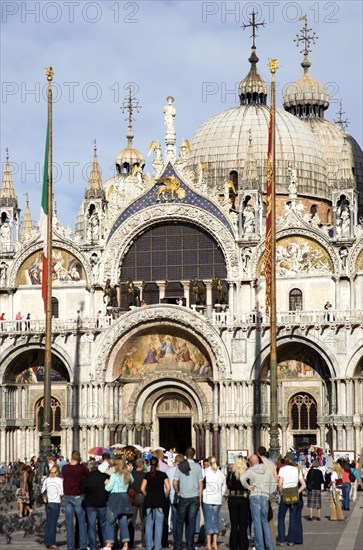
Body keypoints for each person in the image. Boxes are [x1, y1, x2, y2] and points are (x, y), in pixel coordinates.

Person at [240, 454, 275, 550]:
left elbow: (242, 479)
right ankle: (270, 546)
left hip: (255, 496)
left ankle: (260, 546)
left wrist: (248, 487)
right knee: (265, 521)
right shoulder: (267, 470)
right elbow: (273, 483)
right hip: (265, 496)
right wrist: (268, 492)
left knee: (257, 522)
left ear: (251, 462)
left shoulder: (251, 470)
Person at [173, 447, 203, 550]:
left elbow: (175, 482)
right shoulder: (198, 467)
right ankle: (190, 545)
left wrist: (177, 492)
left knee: (180, 521)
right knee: (191, 521)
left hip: (183, 496)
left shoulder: (181, 466)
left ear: (185, 455)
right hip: (194, 497)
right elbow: (200, 483)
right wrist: (200, 498)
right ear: (194, 455)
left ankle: (178, 545)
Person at [104, 456, 134, 550]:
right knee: (123, 522)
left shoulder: (114, 475)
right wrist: (129, 471)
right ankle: (125, 544)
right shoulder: (127, 475)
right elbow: (132, 482)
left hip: (115, 498)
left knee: (111, 521)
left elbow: (108, 488)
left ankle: (109, 544)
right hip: (124, 497)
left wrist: (106, 483)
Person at [62, 450, 90, 550]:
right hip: (78, 496)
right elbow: (88, 474)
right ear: (78, 459)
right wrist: (82, 464)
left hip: (67, 496)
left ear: (71, 457)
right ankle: (83, 545)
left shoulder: (64, 468)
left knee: (69, 522)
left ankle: (70, 546)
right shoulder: (80, 468)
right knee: (82, 521)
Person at [141, 456, 170, 550]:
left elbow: (142, 488)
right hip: (160, 500)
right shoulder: (163, 475)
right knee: (159, 524)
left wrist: (147, 495)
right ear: (158, 464)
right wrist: (164, 496)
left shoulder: (147, 475)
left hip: (149, 500)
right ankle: (158, 546)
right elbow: (168, 487)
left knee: (149, 524)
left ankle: (149, 545)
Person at [277, 453, 306, 546]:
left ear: (287, 459)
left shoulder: (282, 469)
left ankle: (281, 540)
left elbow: (280, 484)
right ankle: (291, 540)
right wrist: (298, 491)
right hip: (294, 496)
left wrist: (281, 493)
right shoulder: (297, 470)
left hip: (285, 495)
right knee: (292, 518)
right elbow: (304, 485)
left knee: (281, 518)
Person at [80, 461, 109, 550]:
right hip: (102, 503)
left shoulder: (86, 478)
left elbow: (81, 489)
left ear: (90, 468)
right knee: (103, 525)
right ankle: (105, 544)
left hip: (90, 504)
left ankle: (92, 546)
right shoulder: (104, 476)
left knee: (91, 525)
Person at [202, 456, 226, 550]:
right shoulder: (220, 473)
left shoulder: (205, 471)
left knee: (208, 520)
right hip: (217, 499)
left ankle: (208, 543)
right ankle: (215, 543)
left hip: (207, 499)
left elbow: (200, 483)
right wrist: (221, 494)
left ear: (208, 462)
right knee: (215, 520)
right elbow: (224, 487)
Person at [226, 455, 250, 550]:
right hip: (244, 499)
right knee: (243, 524)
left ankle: (234, 545)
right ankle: (243, 545)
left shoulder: (231, 474)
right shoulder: (247, 473)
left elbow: (228, 485)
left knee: (234, 524)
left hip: (233, 499)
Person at [42, 464, 63, 549]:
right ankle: (52, 543)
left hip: (48, 503)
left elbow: (42, 490)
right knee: (53, 524)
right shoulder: (59, 480)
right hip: (55, 502)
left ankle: (47, 541)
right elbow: (62, 492)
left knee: (48, 522)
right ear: (57, 472)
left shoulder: (47, 480)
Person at [129, 458, 146, 548]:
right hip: (142, 496)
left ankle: (130, 542)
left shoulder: (131, 474)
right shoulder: (145, 475)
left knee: (132, 519)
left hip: (133, 497)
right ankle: (144, 541)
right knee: (144, 520)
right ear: (141, 465)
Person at [167, 454, 184, 544]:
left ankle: (175, 539)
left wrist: (167, 494)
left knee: (174, 519)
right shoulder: (184, 471)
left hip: (172, 497)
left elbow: (166, 485)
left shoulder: (169, 471)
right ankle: (179, 540)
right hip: (183, 497)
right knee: (181, 520)